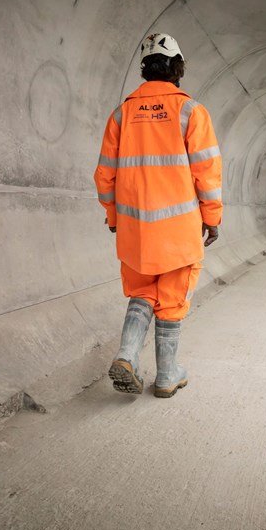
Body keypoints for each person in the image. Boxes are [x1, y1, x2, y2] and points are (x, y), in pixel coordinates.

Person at [93, 33, 222, 398]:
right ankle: (166, 376)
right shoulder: (191, 112)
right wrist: (212, 217)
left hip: (135, 230)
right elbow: (207, 172)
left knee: (142, 290)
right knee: (172, 296)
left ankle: (127, 355)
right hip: (179, 231)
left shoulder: (122, 113)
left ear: (145, 69)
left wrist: (115, 216)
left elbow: (105, 175)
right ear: (177, 67)